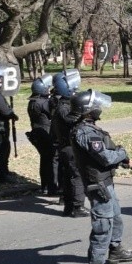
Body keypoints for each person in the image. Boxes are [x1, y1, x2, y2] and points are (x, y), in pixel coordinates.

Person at [69, 89, 132, 264]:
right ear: (87, 111)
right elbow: (105, 157)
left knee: (115, 216)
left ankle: (115, 250)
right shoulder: (85, 132)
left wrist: (121, 161)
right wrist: (122, 153)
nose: (100, 109)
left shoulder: (89, 128)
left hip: (105, 182)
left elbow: (104, 157)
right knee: (103, 225)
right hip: (97, 185)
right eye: (96, 107)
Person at [51, 70, 88, 217]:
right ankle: (77, 207)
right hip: (70, 147)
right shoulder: (64, 107)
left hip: (65, 147)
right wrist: (83, 114)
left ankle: (68, 207)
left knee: (68, 177)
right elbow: (70, 120)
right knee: (76, 176)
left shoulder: (63, 104)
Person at [26, 74, 57, 194]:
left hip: (36, 132)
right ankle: (52, 186)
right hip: (46, 133)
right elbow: (53, 113)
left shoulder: (33, 101)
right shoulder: (43, 102)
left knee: (44, 160)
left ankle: (44, 186)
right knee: (51, 160)